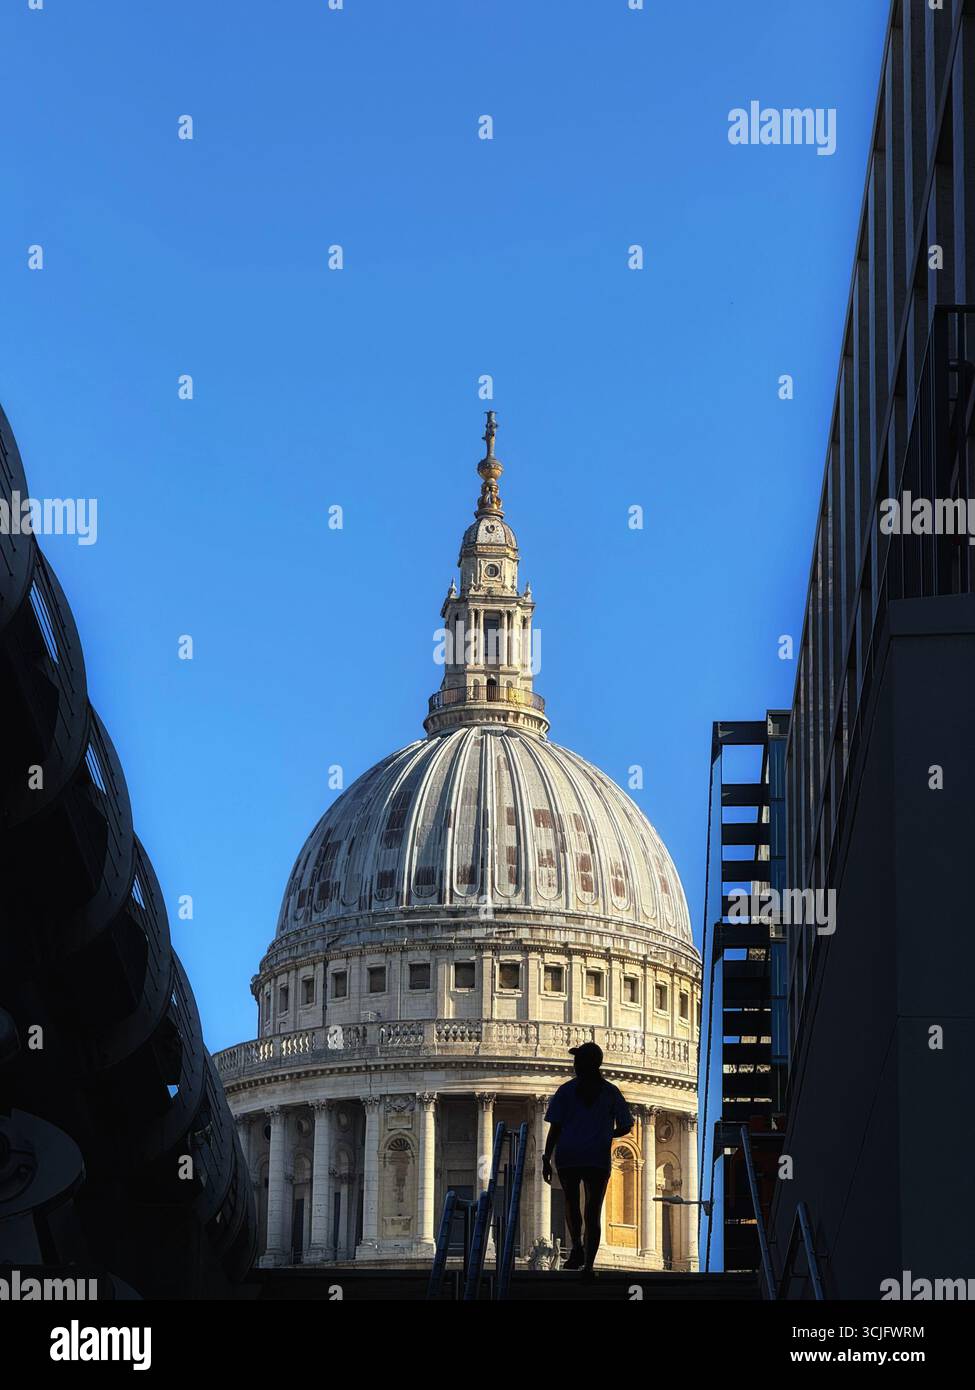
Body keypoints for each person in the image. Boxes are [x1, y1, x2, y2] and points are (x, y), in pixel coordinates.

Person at [542, 1042, 633, 1276]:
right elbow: (626, 1125)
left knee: (572, 1204)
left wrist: (546, 1156)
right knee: (593, 1211)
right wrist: (606, 1134)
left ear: (586, 1064)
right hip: (597, 1157)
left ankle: (577, 1248)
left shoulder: (566, 1091)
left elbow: (555, 1127)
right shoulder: (610, 1092)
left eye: (578, 1061)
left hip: (569, 1155)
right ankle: (589, 1265)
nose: (574, 1065)